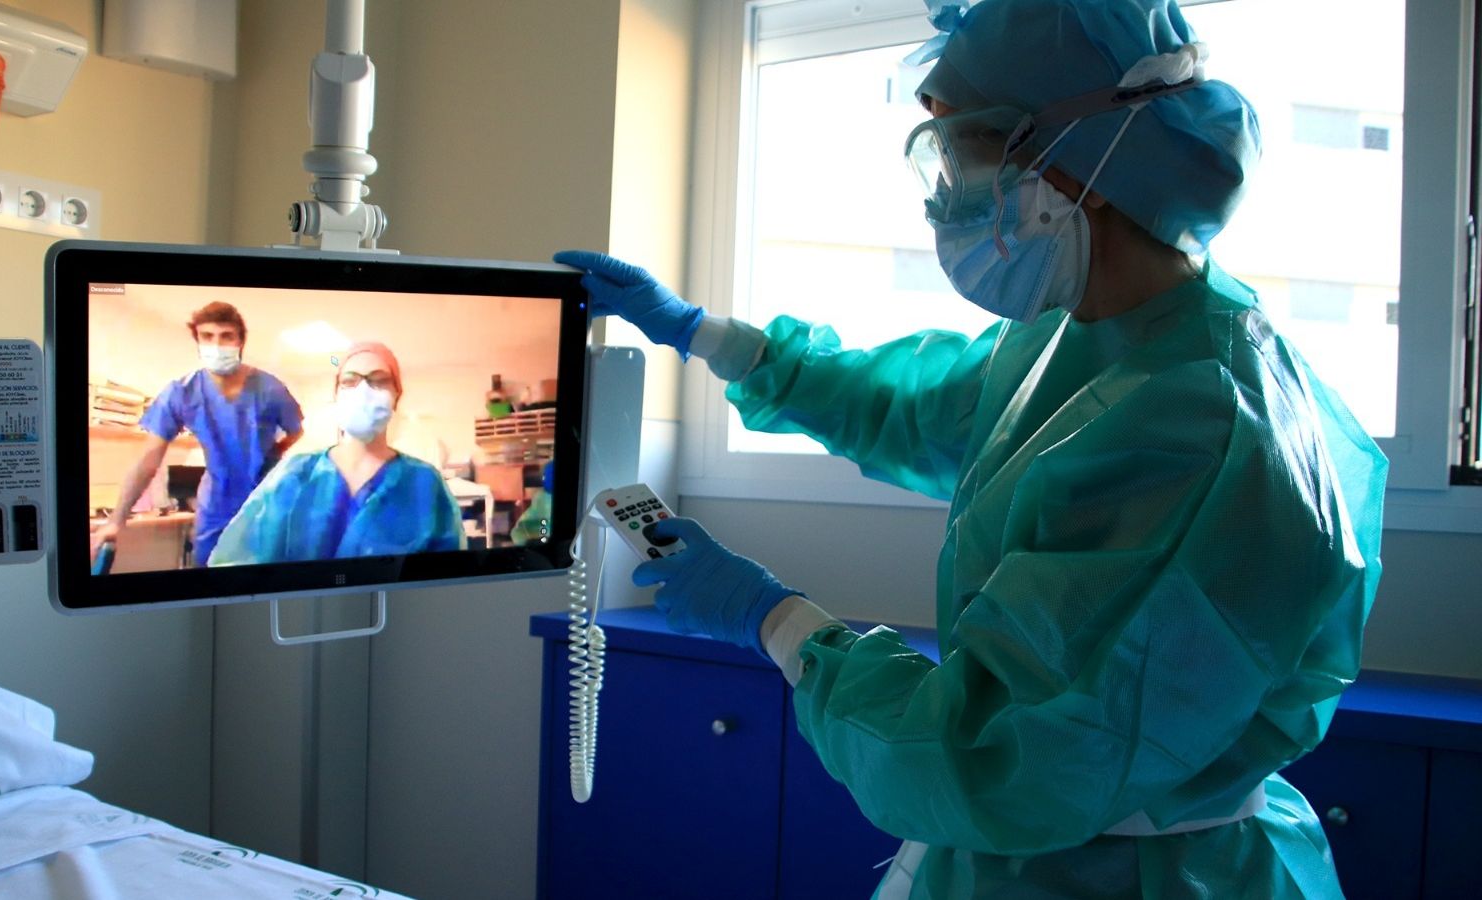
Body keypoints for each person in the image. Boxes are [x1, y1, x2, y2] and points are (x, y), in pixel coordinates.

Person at [554, 0, 1387, 896]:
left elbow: (986, 760)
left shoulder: (1198, 428)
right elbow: (907, 403)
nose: (943, 186)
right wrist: (695, 331)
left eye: (962, 148)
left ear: (1082, 168)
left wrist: (774, 619)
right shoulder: (1094, 338)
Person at [209, 341, 463, 564]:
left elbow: (446, 580)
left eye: (378, 380)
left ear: (397, 395)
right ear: (337, 395)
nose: (363, 391)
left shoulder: (424, 483)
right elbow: (240, 562)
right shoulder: (295, 474)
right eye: (350, 381)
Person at [92, 301, 303, 567]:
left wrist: (276, 451)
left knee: (264, 578)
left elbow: (296, 430)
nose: (217, 345)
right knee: (210, 577)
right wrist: (116, 520)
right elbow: (148, 459)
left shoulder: (270, 389)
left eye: (226, 336)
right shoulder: (182, 393)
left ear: (240, 342)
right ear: (198, 342)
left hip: (265, 498)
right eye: (207, 336)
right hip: (216, 503)